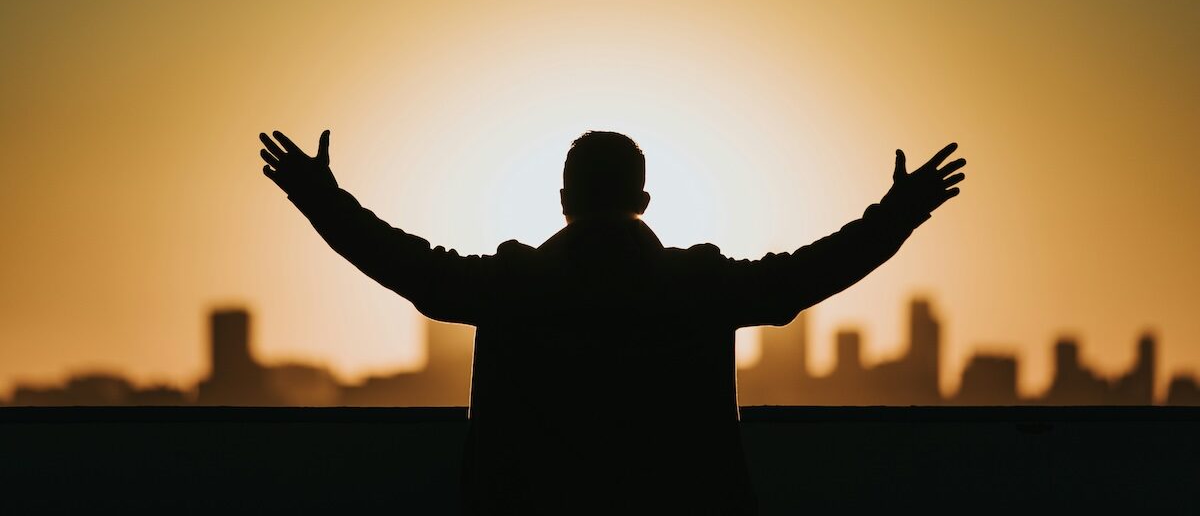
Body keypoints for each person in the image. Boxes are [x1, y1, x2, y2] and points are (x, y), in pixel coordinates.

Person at [259, 128, 965, 514]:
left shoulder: (512, 284)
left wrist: (318, 197)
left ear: (564, 200)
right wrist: (900, 211)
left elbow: (402, 263)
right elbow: (809, 274)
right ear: (646, 200)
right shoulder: (699, 284)